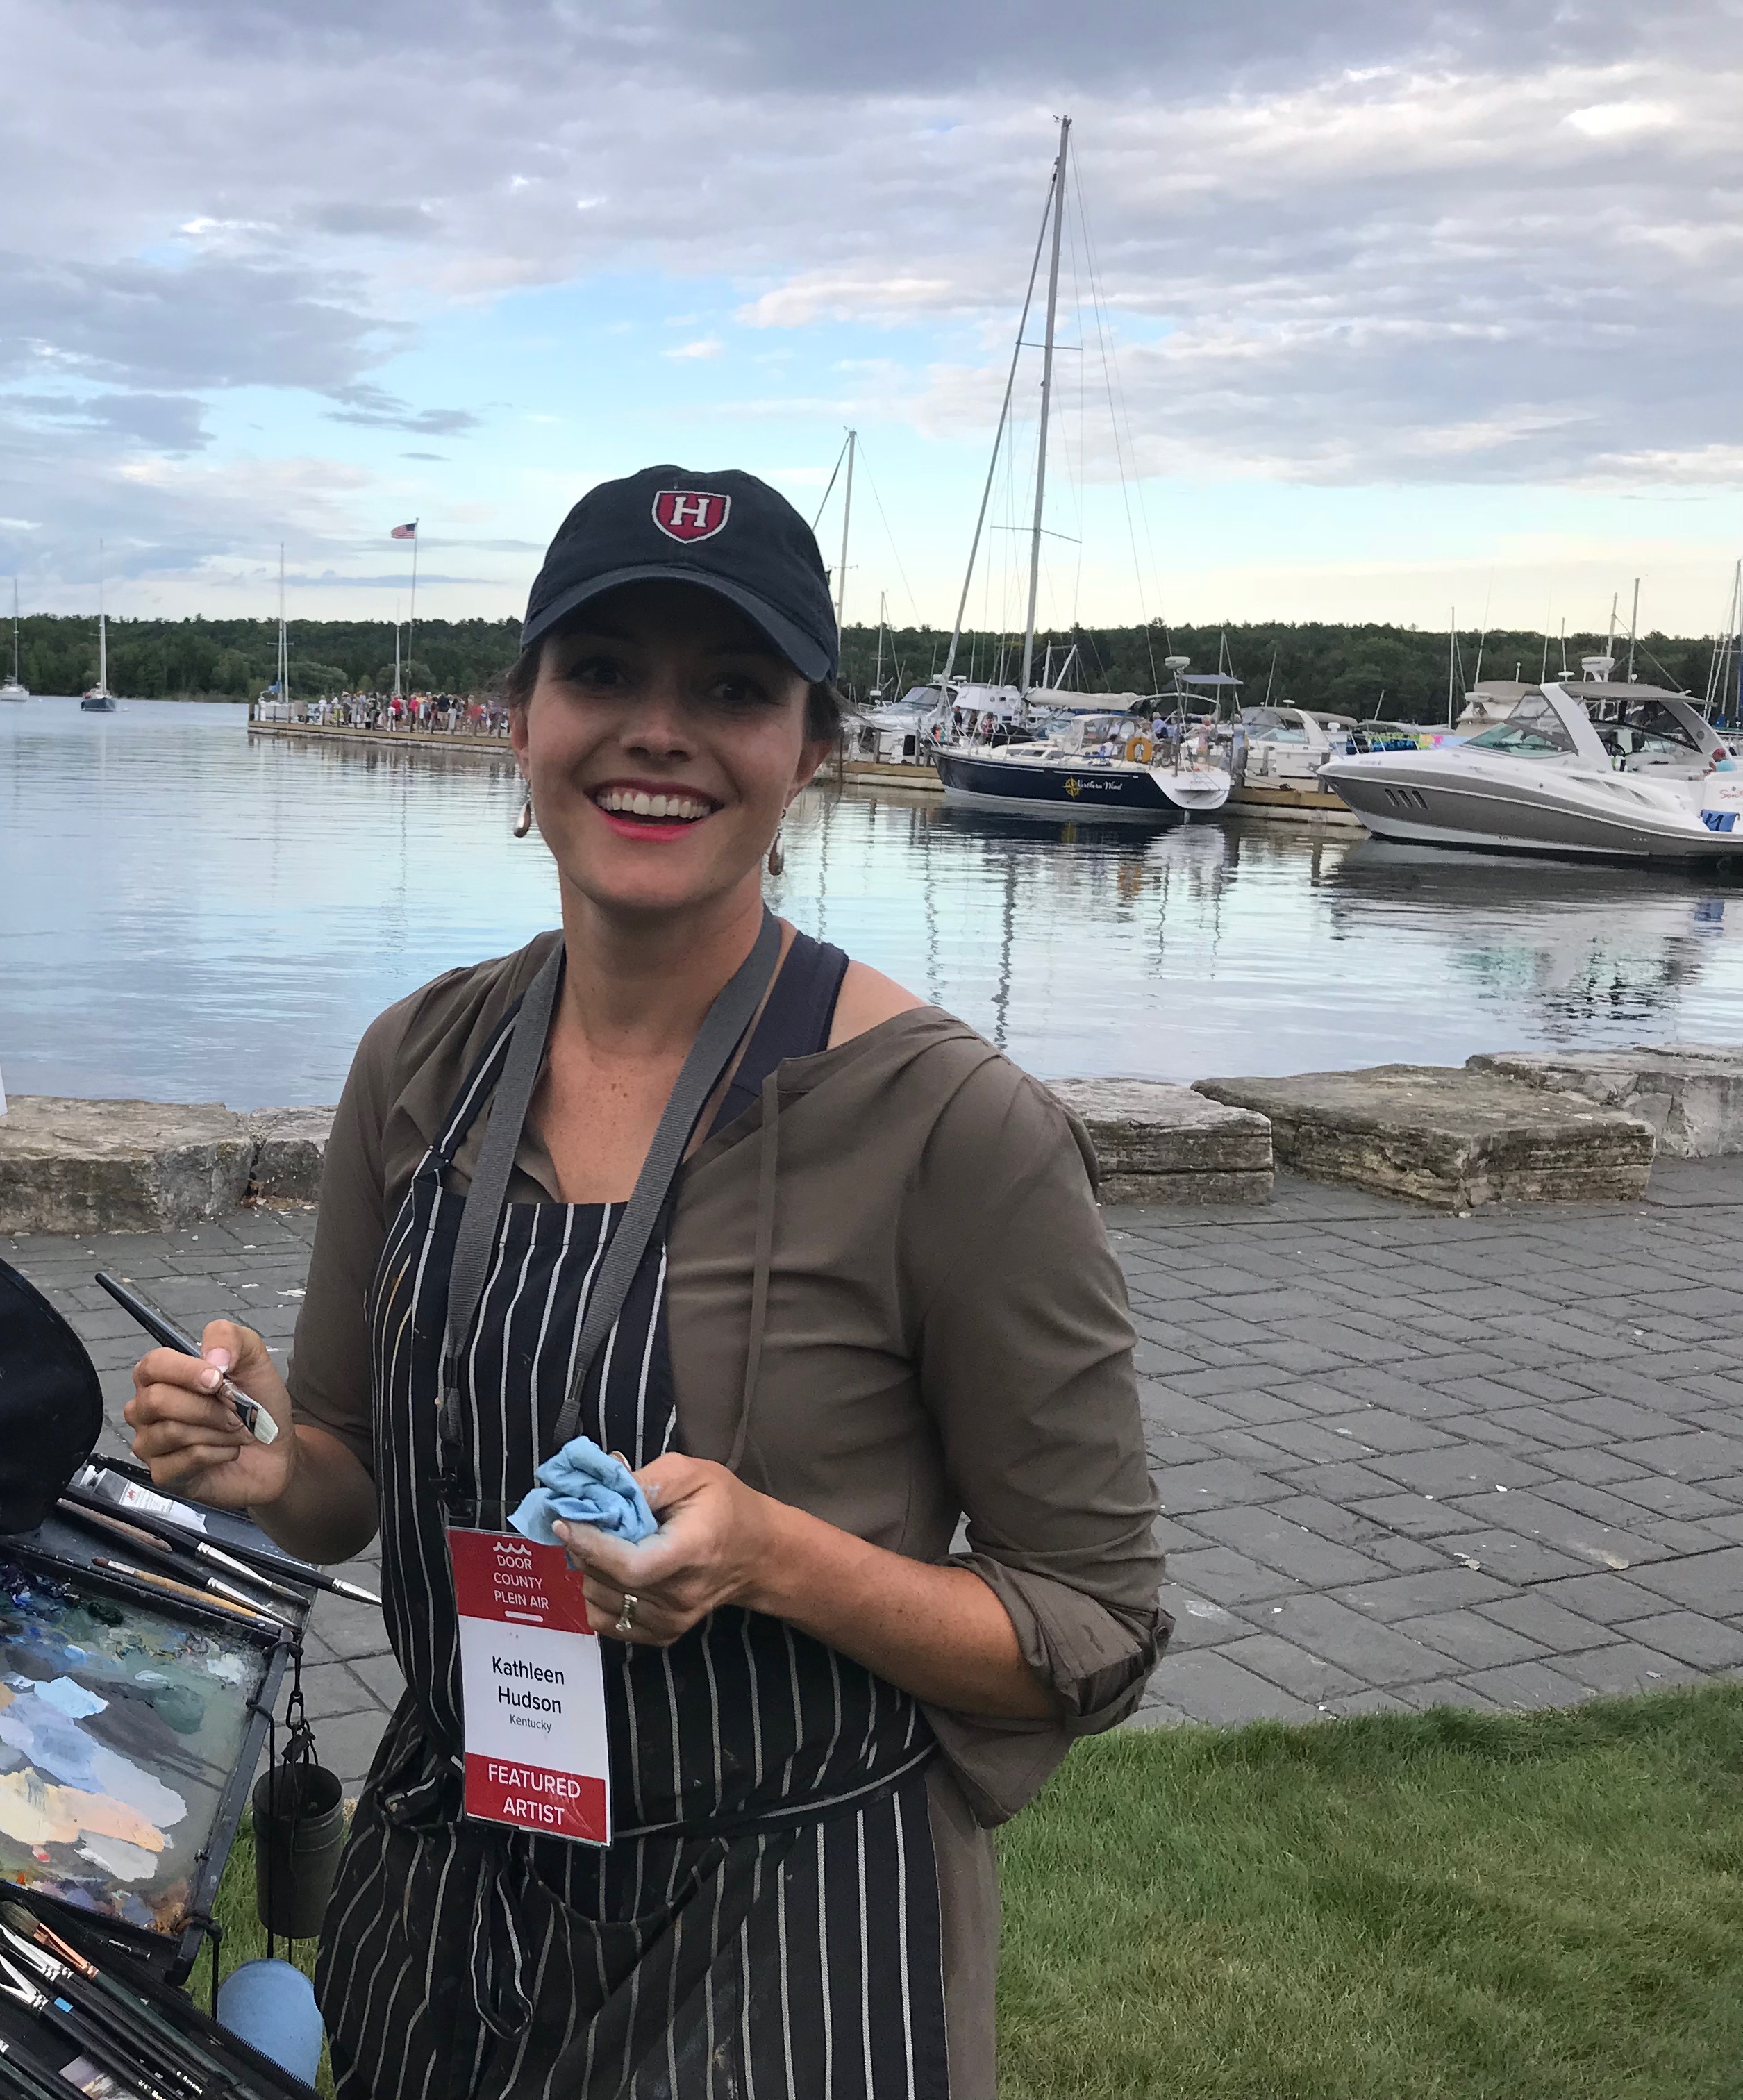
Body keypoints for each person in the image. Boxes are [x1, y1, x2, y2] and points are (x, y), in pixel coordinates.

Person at [125, 465, 1165, 2100]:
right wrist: (262, 1462)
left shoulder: (954, 1125)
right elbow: (342, 1483)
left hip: (789, 1950)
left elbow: (1094, 1629)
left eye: (733, 690)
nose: (657, 733)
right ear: (519, 718)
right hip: (450, 1904)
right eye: (603, 673)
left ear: (811, 749)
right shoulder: (421, 1060)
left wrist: (777, 1559)